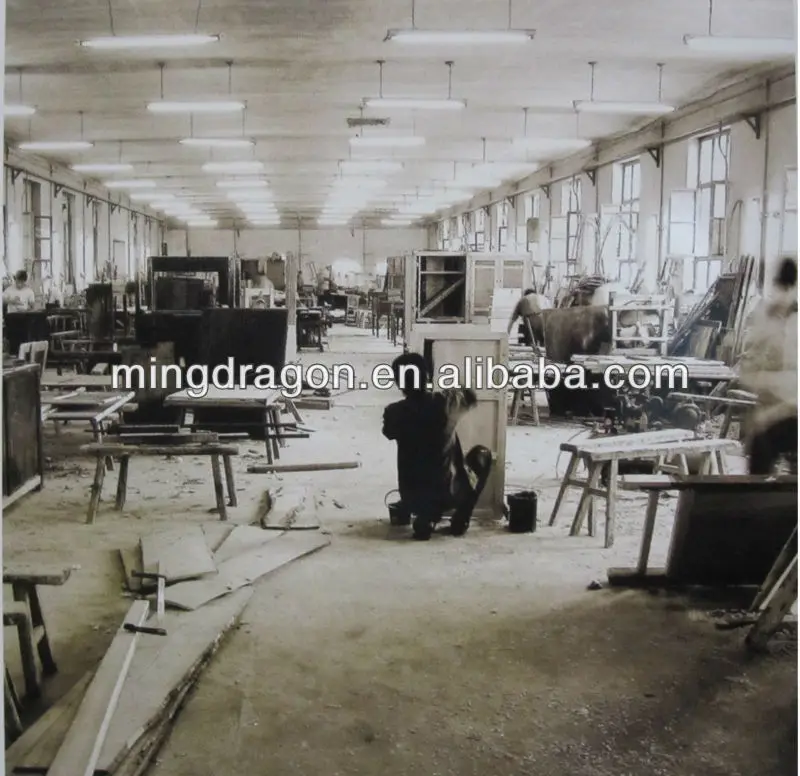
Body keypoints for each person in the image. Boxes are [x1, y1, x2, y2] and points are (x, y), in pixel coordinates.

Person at [382, 352, 493, 540]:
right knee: (482, 455)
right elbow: (471, 396)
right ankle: (461, 518)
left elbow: (389, 432)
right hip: (447, 494)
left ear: (399, 382)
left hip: (411, 497)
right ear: (426, 376)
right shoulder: (444, 402)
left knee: (423, 471)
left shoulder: (393, 411)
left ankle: (427, 517)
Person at [738, 256, 798, 474]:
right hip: (779, 412)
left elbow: (749, 368)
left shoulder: (768, 316)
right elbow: (749, 365)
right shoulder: (771, 315)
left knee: (759, 470)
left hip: (777, 414)